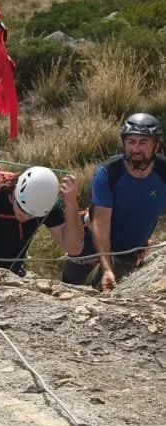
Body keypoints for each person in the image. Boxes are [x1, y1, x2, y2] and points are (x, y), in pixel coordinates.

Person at [62, 113, 166, 292]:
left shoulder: (163, 173)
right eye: (131, 142)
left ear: (156, 145)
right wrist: (107, 267)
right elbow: (101, 223)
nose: (136, 149)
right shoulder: (109, 173)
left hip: (129, 251)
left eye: (143, 142)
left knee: (106, 297)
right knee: (68, 290)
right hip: (90, 245)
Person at [0, 163, 84, 277]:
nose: (26, 217)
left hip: (11, 273)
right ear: (14, 194)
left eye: (33, 215)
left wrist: (71, 204)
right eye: (22, 209)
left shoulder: (44, 205)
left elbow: (74, 249)